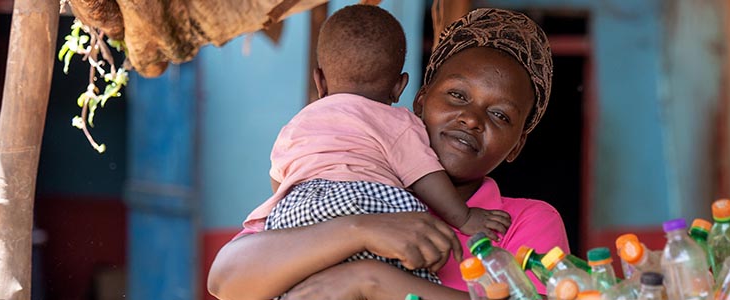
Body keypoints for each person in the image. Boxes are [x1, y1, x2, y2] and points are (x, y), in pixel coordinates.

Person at [207, 8, 565, 299]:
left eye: (500, 115)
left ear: (516, 145)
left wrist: (367, 279)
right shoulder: (349, 179)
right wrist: (360, 229)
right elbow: (225, 281)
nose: (471, 119)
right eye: (457, 95)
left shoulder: (524, 221)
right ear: (419, 101)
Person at [249, 4, 513, 284]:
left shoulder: (296, 125)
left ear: (320, 81)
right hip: (372, 206)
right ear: (400, 87)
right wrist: (464, 217)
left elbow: (280, 181)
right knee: (410, 275)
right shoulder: (396, 122)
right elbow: (423, 173)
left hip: (299, 218)